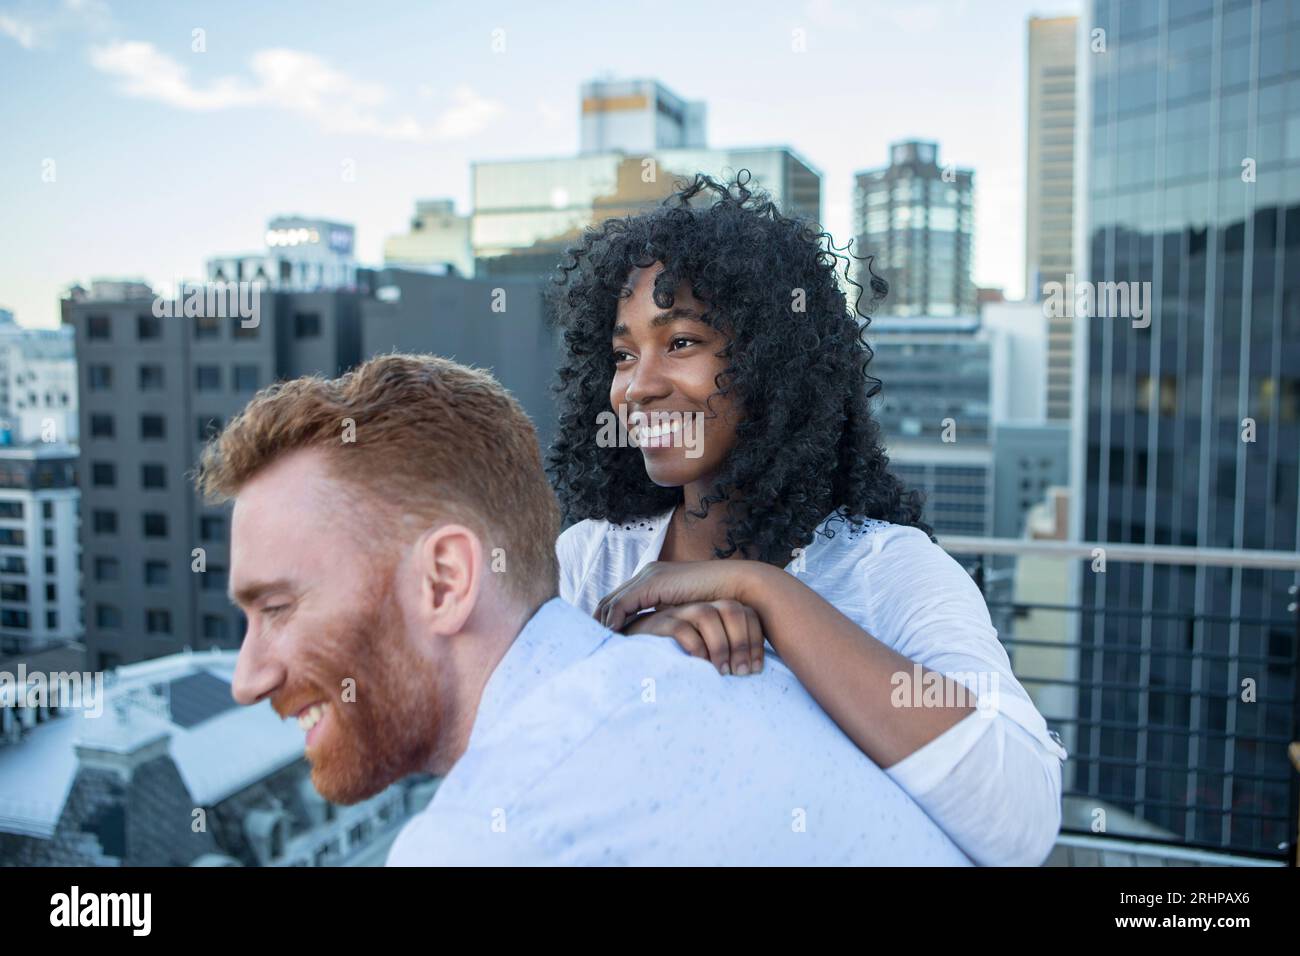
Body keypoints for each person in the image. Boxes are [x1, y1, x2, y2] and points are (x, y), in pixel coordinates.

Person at [198, 353, 970, 865]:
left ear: (444, 581)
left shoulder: (490, 835)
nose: (247, 677)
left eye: (278, 607)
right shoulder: (744, 677)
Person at [547, 171, 1068, 866]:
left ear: (772, 362)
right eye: (621, 354)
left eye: (680, 343)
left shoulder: (889, 570)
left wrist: (763, 591)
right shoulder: (591, 560)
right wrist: (636, 648)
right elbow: (526, 763)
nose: (638, 386)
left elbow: (1022, 819)